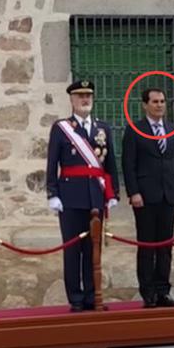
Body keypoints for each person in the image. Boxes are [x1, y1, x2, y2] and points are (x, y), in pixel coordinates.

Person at [46, 80, 119, 312]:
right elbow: (52, 162)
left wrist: (112, 192)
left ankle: (91, 295)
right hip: (70, 195)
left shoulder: (102, 128)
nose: (85, 99)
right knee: (73, 249)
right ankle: (75, 298)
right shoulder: (62, 128)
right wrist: (52, 193)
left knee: (92, 249)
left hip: (95, 196)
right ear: (71, 100)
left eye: (88, 95)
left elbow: (111, 163)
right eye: (80, 96)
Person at [122, 87, 174, 308]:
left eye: (162, 101)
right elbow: (128, 164)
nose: (160, 105)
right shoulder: (135, 130)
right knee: (147, 246)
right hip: (145, 196)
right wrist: (134, 192)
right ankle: (148, 292)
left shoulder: (172, 129)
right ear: (145, 105)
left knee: (165, 247)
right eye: (155, 101)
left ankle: (163, 291)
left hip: (168, 194)